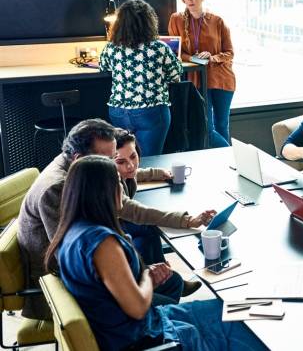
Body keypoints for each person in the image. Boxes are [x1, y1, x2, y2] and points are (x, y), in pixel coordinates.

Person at [44, 155, 264, 350]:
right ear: (105, 192)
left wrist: (142, 275)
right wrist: (147, 277)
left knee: (236, 308)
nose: (122, 188)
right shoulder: (103, 244)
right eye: (118, 183)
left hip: (142, 326)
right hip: (148, 337)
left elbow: (108, 288)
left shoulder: (71, 232)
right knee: (249, 326)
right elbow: (138, 308)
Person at [17, 119, 214, 319]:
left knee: (171, 283)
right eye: (110, 161)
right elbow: (71, 259)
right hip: (67, 288)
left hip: (91, 271)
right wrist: (135, 275)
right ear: (79, 158)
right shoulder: (56, 189)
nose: (117, 171)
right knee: (176, 312)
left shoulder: (81, 167)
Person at [113, 129, 203, 297]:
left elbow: (133, 173)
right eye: (121, 161)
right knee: (147, 222)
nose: (131, 165)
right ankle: (163, 282)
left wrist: (156, 173)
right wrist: (186, 220)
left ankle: (162, 275)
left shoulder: (122, 171)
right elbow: (140, 212)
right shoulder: (110, 183)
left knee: (149, 230)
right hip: (116, 228)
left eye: (133, 156)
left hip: (122, 221)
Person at [100, 0, 184, 156]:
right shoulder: (159, 48)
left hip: (118, 110)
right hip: (150, 110)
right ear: (149, 22)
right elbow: (175, 74)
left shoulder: (111, 47)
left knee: (124, 160)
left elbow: (103, 66)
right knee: (149, 160)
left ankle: (127, 182)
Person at [169, 0, 235, 148]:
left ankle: (226, 164)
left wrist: (212, 57)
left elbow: (229, 52)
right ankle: (232, 156)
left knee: (222, 124)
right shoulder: (176, 19)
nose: (189, 0)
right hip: (197, 78)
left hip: (221, 78)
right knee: (208, 127)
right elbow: (174, 52)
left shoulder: (217, 20)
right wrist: (192, 58)